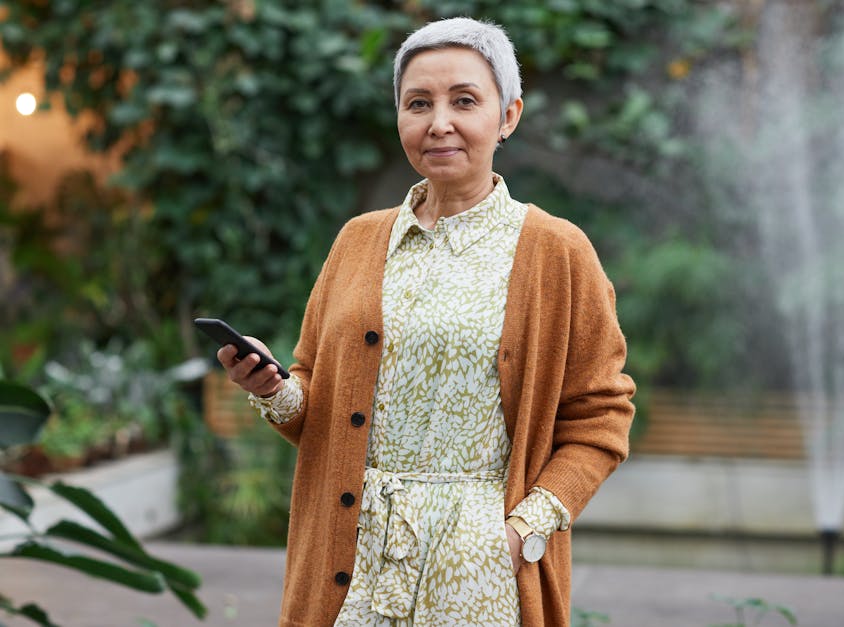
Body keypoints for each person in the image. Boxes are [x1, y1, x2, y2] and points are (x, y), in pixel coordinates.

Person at [217, 16, 635, 627]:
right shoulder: (358, 240)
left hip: (478, 572)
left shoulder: (556, 251)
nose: (439, 123)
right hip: (353, 554)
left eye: (464, 100)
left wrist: (523, 531)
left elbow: (603, 415)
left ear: (509, 115)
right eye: (418, 103)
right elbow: (317, 403)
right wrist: (274, 388)